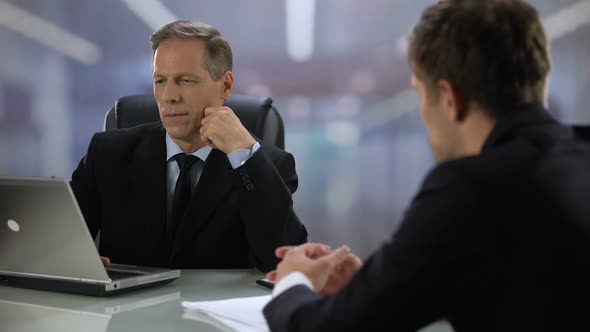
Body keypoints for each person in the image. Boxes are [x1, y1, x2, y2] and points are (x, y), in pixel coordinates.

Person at [263, 0, 590, 330]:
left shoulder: (467, 189)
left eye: (421, 93)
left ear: (450, 100)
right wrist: (372, 285)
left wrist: (292, 283)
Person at [70, 20, 307, 272]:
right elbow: (57, 242)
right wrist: (74, 261)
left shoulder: (267, 164)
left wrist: (243, 155)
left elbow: (283, 263)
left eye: (185, 81)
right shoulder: (108, 154)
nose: (168, 96)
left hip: (215, 310)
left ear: (225, 85)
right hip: (123, 308)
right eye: (160, 80)